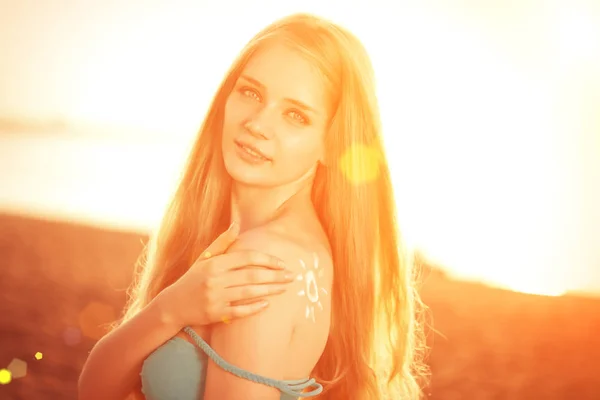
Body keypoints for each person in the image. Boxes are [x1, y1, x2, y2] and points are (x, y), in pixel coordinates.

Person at [78, 12, 428, 400]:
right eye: (251, 92)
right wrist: (170, 309)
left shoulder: (263, 263)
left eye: (295, 115)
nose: (258, 123)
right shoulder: (266, 244)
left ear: (332, 143)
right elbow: (95, 388)